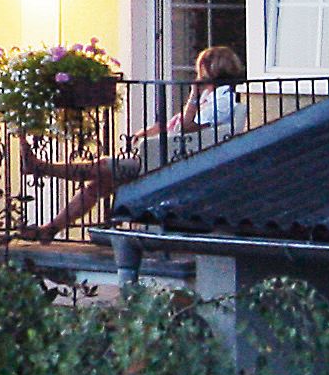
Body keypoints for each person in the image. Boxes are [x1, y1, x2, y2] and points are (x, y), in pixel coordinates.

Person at [22, 44, 248, 238]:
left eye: (202, 70)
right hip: (159, 152)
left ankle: (42, 167)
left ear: (214, 70)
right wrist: (145, 133)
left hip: (170, 160)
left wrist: (192, 96)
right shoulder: (210, 96)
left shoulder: (223, 100)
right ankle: (50, 229)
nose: (198, 75)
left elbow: (187, 127)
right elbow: (175, 124)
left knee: (101, 167)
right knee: (96, 187)